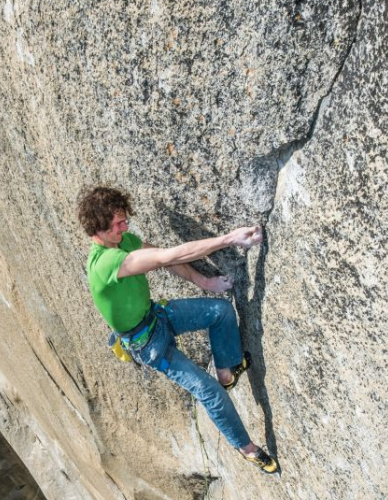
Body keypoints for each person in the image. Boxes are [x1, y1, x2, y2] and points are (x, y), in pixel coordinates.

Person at [78, 185, 277, 473]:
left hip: (157, 317)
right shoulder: (106, 263)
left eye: (124, 219)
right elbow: (165, 257)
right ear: (99, 228)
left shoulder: (123, 242)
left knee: (220, 312)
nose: (126, 225)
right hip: (148, 344)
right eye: (118, 222)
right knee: (209, 393)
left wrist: (204, 282)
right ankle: (247, 448)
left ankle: (227, 371)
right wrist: (228, 239)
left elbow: (167, 260)